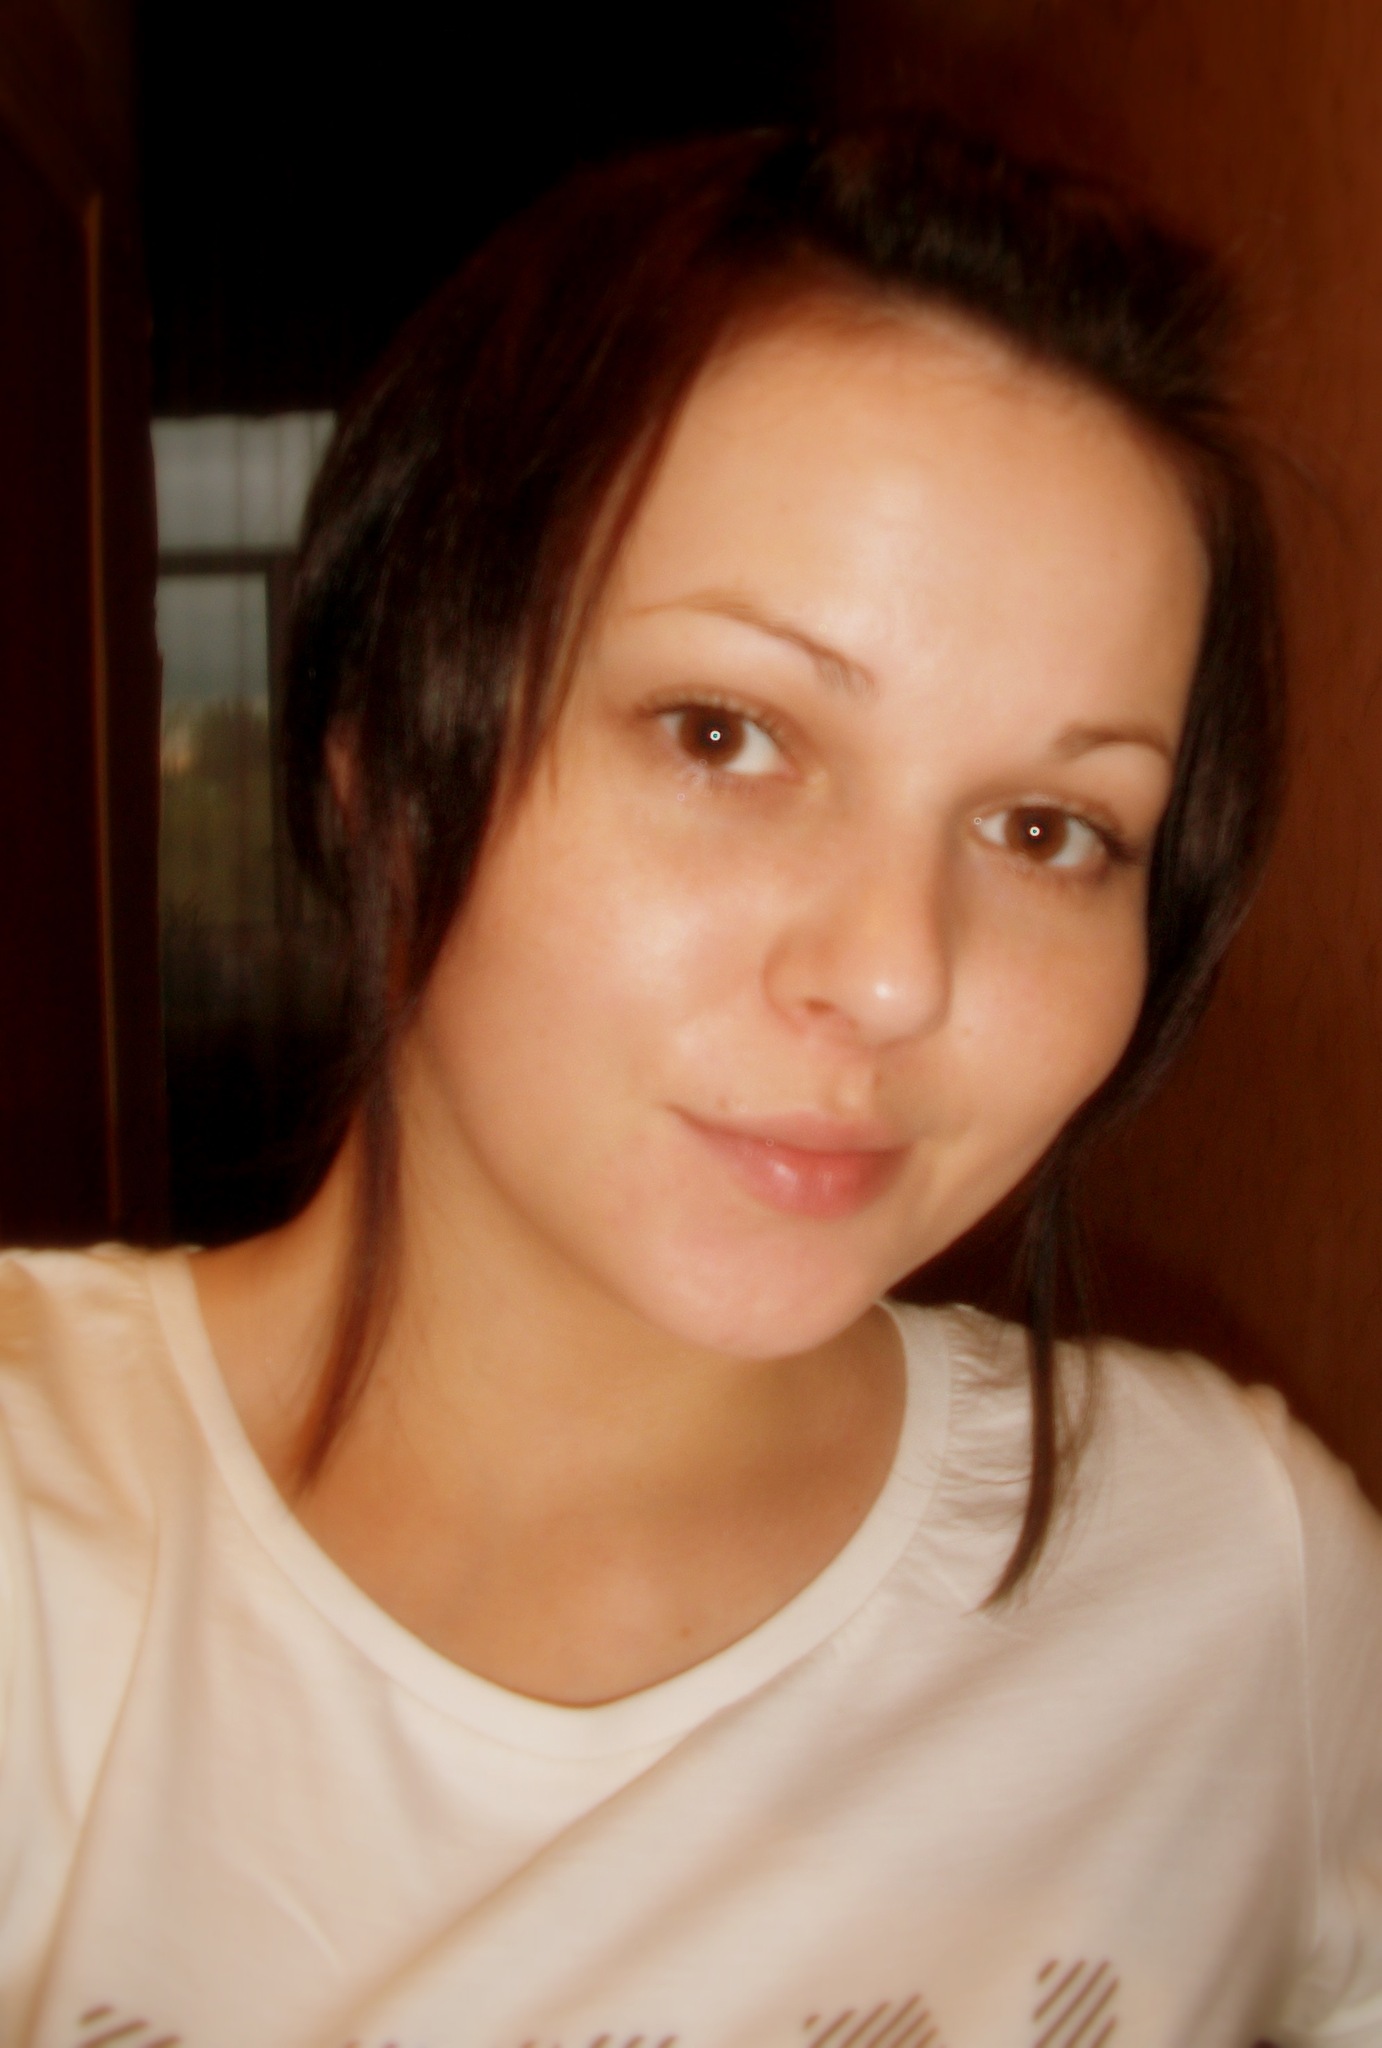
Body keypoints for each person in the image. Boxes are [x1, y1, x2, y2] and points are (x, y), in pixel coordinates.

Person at [2, 115, 1379, 2048]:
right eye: (724, 733)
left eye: (1048, 829)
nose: (892, 972)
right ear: (382, 746)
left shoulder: (1232, 1586)